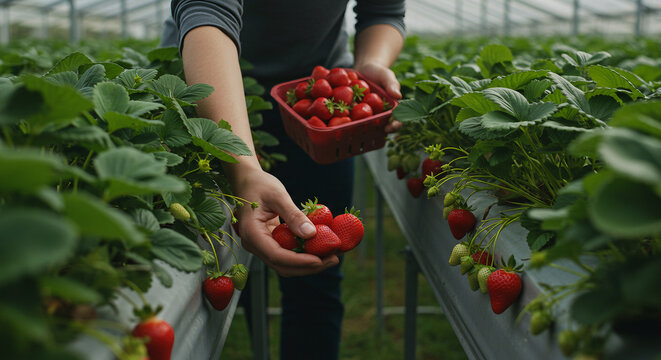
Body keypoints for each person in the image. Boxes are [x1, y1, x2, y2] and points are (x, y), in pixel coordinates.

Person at [161, 2, 405, 359]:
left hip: (316, 101)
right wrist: (244, 170)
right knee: (237, 258)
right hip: (214, 92)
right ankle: (254, 331)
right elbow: (207, 10)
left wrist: (371, 65)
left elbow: (382, 11)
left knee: (318, 272)